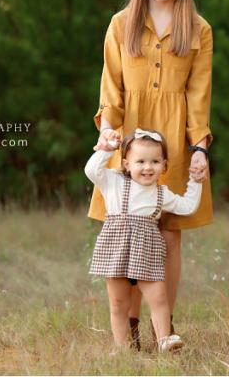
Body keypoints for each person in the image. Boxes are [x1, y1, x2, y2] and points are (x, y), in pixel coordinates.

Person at [89, 0, 213, 349]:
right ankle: (130, 326)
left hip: (174, 140)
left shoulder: (198, 29)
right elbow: (112, 87)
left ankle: (166, 329)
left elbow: (199, 94)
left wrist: (199, 147)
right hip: (130, 141)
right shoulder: (121, 23)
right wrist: (109, 128)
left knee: (168, 233)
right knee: (126, 226)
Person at [86, 128, 202, 352]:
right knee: (119, 303)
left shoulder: (162, 193)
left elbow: (188, 206)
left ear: (164, 165)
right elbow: (91, 170)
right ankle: (122, 347)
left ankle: (164, 339)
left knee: (158, 298)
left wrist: (196, 181)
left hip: (146, 251)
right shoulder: (114, 181)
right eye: (140, 161)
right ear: (126, 164)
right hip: (117, 249)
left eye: (155, 161)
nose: (148, 167)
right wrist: (107, 149)